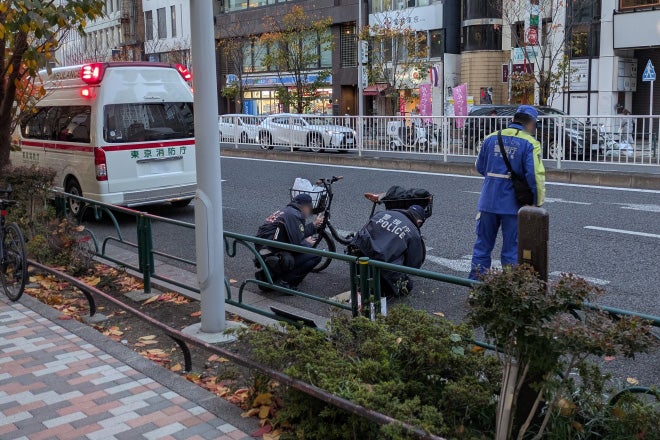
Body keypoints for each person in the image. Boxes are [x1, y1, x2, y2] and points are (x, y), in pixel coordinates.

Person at [468, 105, 546, 280]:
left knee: (482, 246)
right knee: (511, 249)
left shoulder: (490, 138)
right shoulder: (530, 144)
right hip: (513, 205)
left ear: (513, 120)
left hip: (487, 201)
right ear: (531, 124)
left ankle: (475, 287)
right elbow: (535, 176)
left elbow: (480, 167)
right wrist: (537, 203)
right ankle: (508, 290)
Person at [349, 205, 426, 297]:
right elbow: (413, 264)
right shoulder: (413, 232)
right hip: (383, 268)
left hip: (358, 259)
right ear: (419, 221)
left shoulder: (382, 214)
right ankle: (380, 291)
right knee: (408, 286)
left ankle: (363, 282)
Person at [255, 194, 324, 290]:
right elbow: (298, 245)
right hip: (272, 252)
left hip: (265, 250)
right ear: (305, 206)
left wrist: (313, 225)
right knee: (316, 255)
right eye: (310, 207)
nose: (310, 211)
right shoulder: (294, 215)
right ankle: (285, 282)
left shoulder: (287, 211)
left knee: (304, 252)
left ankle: (272, 276)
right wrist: (307, 243)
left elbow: (296, 233)